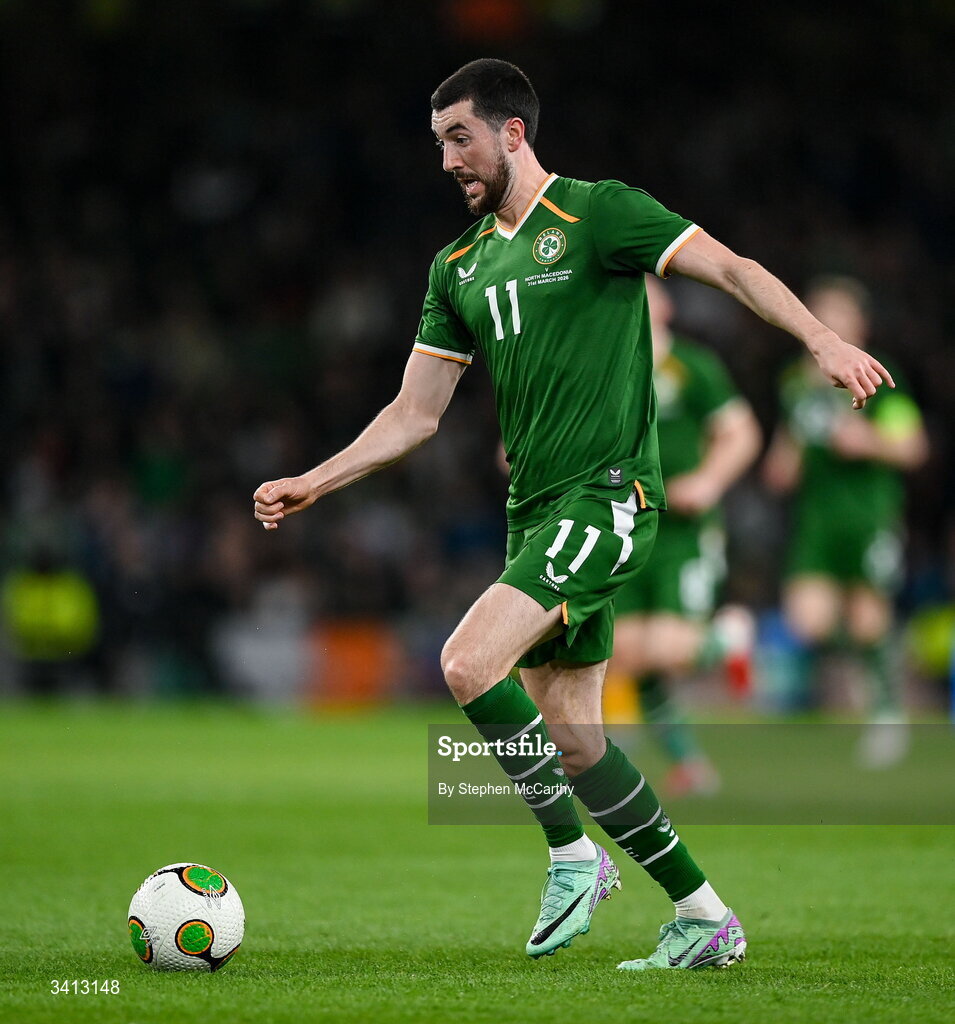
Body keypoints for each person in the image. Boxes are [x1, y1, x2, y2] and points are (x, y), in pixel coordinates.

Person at [253, 60, 894, 970]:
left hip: (608, 495)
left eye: (459, 138)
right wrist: (315, 480)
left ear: (513, 132)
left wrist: (821, 338)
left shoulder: (599, 214)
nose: (446, 161)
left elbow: (733, 268)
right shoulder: (458, 266)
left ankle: (570, 855)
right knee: (575, 739)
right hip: (535, 510)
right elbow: (415, 414)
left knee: (469, 661)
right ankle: (704, 916)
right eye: (438, 143)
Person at [604, 276, 762, 797]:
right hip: (622, 529)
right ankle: (689, 764)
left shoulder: (692, 366)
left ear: (665, 304)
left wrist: (711, 480)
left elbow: (741, 432)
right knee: (626, 652)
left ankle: (729, 638)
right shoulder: (604, 363)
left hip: (682, 533)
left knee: (667, 649)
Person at [762, 276, 927, 766]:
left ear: (860, 324)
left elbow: (913, 447)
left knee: (866, 618)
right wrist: (785, 455)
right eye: (820, 313)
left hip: (868, 517)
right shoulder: (795, 382)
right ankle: (849, 684)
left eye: (840, 314)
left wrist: (868, 442)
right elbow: (784, 461)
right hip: (817, 521)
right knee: (805, 620)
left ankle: (887, 713)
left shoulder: (877, 374)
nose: (829, 322)